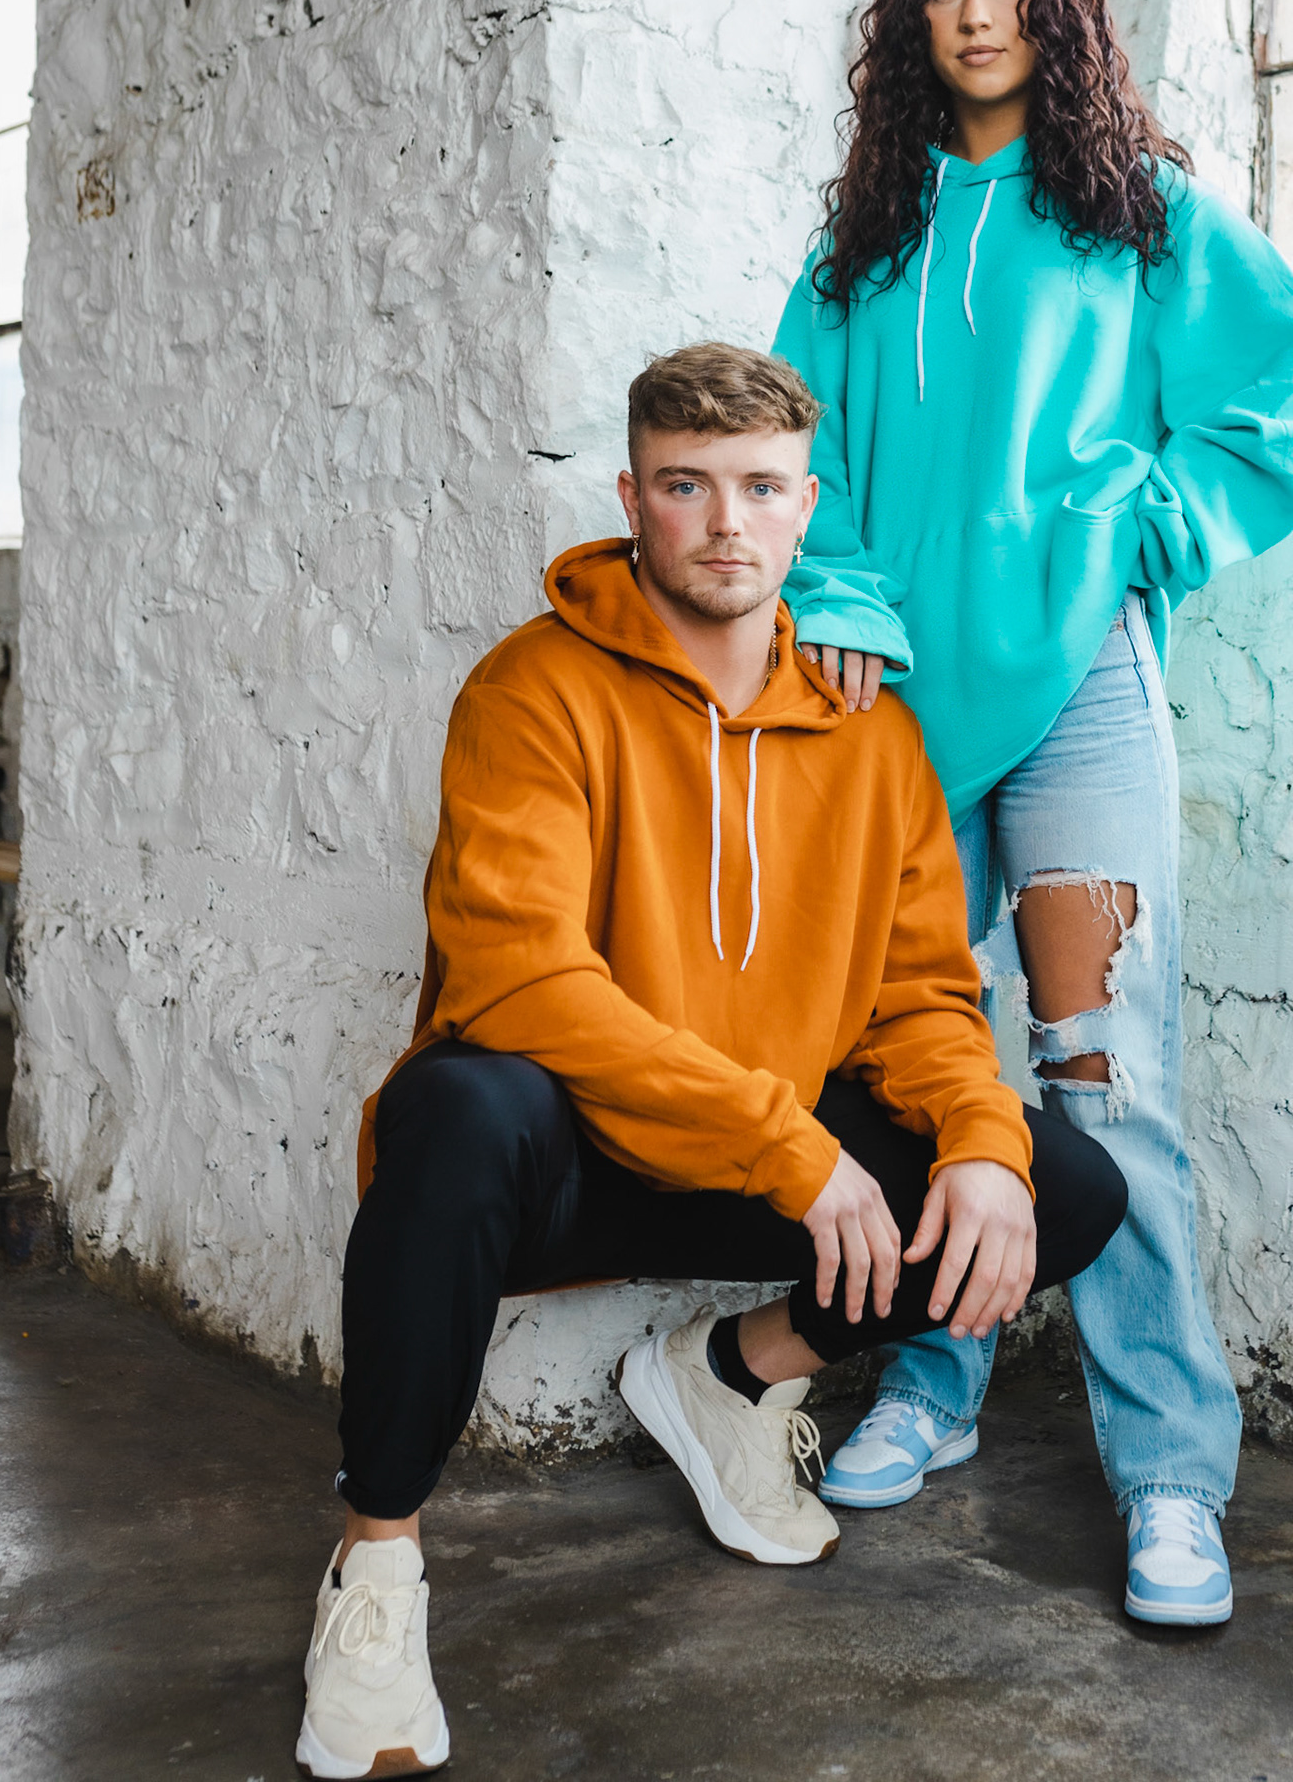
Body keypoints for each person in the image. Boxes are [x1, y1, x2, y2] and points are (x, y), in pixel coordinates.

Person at [294, 342, 1126, 1781]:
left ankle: (733, 1377)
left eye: (759, 488)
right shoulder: (533, 690)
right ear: (633, 501)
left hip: (762, 1174)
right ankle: (375, 1567)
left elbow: (920, 997)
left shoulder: (873, 740)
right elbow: (522, 978)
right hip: (572, 1168)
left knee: (1063, 1184)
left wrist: (982, 1144)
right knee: (455, 1105)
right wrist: (791, 1150)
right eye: (685, 487)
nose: (726, 522)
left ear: (806, 507)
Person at [773, 0, 1293, 1628]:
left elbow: (1289, 384)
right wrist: (844, 600)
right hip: (897, 711)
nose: (976, 14)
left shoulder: (1135, 209)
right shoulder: (862, 241)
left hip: (1083, 696)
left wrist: (1141, 532)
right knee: (912, 1069)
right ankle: (935, 1379)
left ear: (1056, 4)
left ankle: (1171, 1474)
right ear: (912, 19)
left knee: (1106, 1077)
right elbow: (797, 453)